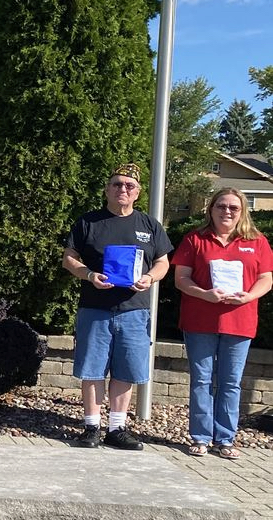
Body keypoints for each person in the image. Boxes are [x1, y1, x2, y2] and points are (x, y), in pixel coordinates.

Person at [62, 162, 172, 451]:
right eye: (117, 184)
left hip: (135, 310)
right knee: (92, 369)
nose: (122, 189)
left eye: (129, 185)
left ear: (137, 192)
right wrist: (88, 275)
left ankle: (117, 428)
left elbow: (163, 262)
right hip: (95, 308)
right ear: (107, 189)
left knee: (125, 370)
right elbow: (69, 258)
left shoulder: (149, 225)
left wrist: (149, 277)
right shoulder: (88, 222)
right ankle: (91, 427)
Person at [172, 187, 272, 459]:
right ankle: (201, 437)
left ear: (242, 212)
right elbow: (181, 278)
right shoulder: (195, 239)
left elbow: (266, 279)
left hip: (240, 321)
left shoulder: (257, 241)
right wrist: (205, 294)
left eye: (233, 207)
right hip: (200, 320)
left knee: (230, 382)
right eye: (221, 206)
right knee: (201, 380)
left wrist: (248, 296)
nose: (227, 211)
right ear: (211, 209)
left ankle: (226, 439)